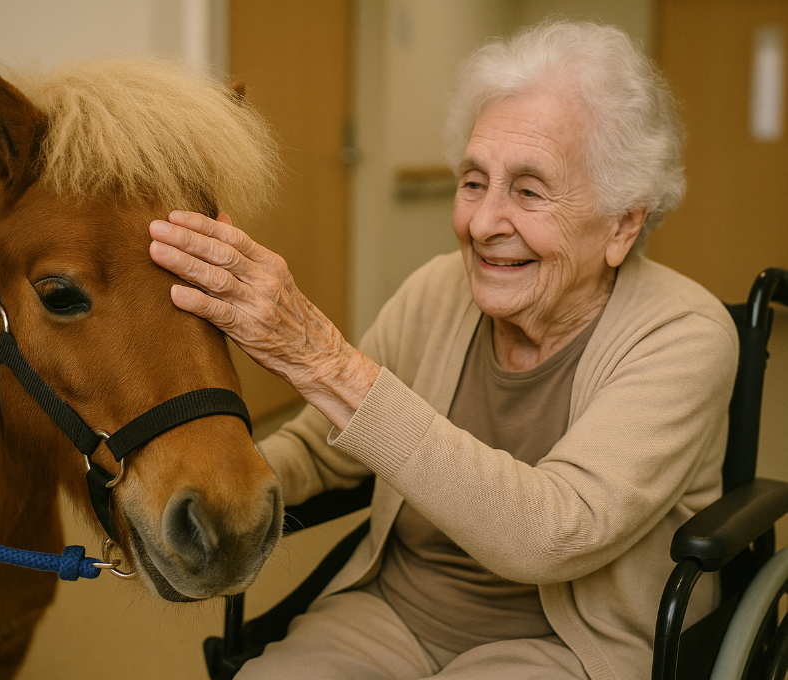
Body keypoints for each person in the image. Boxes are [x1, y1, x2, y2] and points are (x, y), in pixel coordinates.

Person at [149, 19, 738, 680]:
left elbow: (553, 534)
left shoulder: (683, 333)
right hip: (393, 610)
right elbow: (322, 447)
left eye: (527, 190)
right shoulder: (436, 290)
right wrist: (198, 486)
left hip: (565, 645)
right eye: (472, 182)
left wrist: (325, 364)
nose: (482, 224)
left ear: (622, 223)